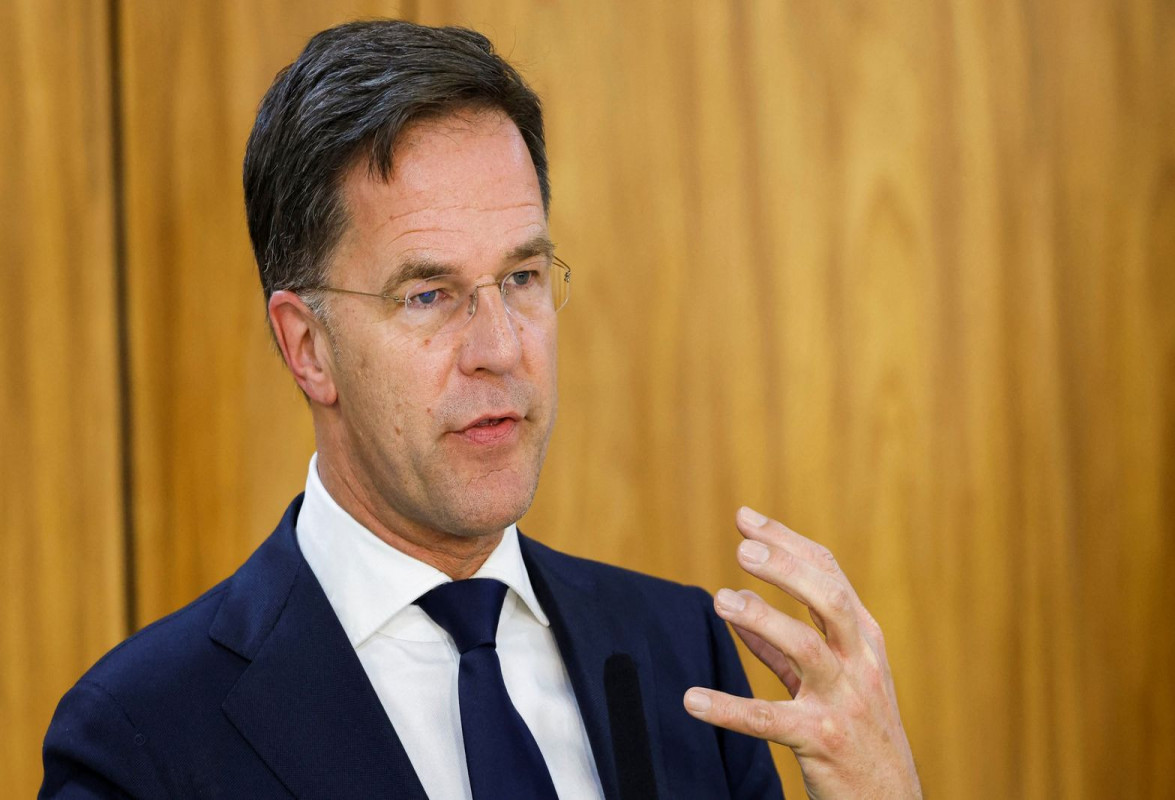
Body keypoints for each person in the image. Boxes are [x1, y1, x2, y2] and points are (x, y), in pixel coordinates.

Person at [41, 20, 921, 799]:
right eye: (428, 294)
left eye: (523, 277)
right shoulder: (140, 741)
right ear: (307, 347)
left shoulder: (679, 652)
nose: (500, 347)